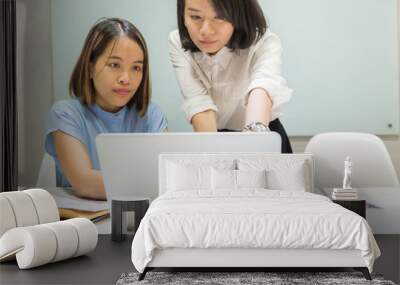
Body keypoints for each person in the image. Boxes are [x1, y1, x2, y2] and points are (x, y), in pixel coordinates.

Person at [45, 18, 167, 200]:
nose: (126, 78)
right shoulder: (65, 114)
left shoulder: (152, 114)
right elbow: (85, 183)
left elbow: (171, 175)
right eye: (114, 65)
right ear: (90, 68)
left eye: (136, 68)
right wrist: (152, 185)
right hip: (83, 225)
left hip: (140, 223)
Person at [169, 0, 293, 152]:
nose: (206, 30)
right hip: (212, 135)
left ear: (238, 14)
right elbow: (198, 104)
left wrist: (254, 143)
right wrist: (217, 158)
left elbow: (261, 90)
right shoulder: (177, 42)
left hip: (261, 131)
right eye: (195, 17)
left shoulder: (263, 41)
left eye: (220, 17)